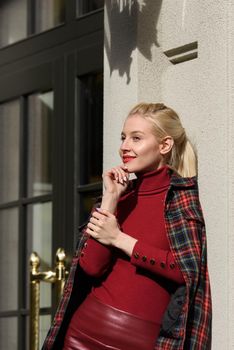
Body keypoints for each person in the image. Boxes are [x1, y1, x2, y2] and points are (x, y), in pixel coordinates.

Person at [42, 103, 212, 350]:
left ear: (164, 145)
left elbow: (186, 271)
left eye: (136, 138)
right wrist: (110, 200)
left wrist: (120, 239)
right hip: (84, 333)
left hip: (144, 340)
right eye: (123, 137)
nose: (124, 147)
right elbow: (91, 267)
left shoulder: (181, 198)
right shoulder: (119, 197)